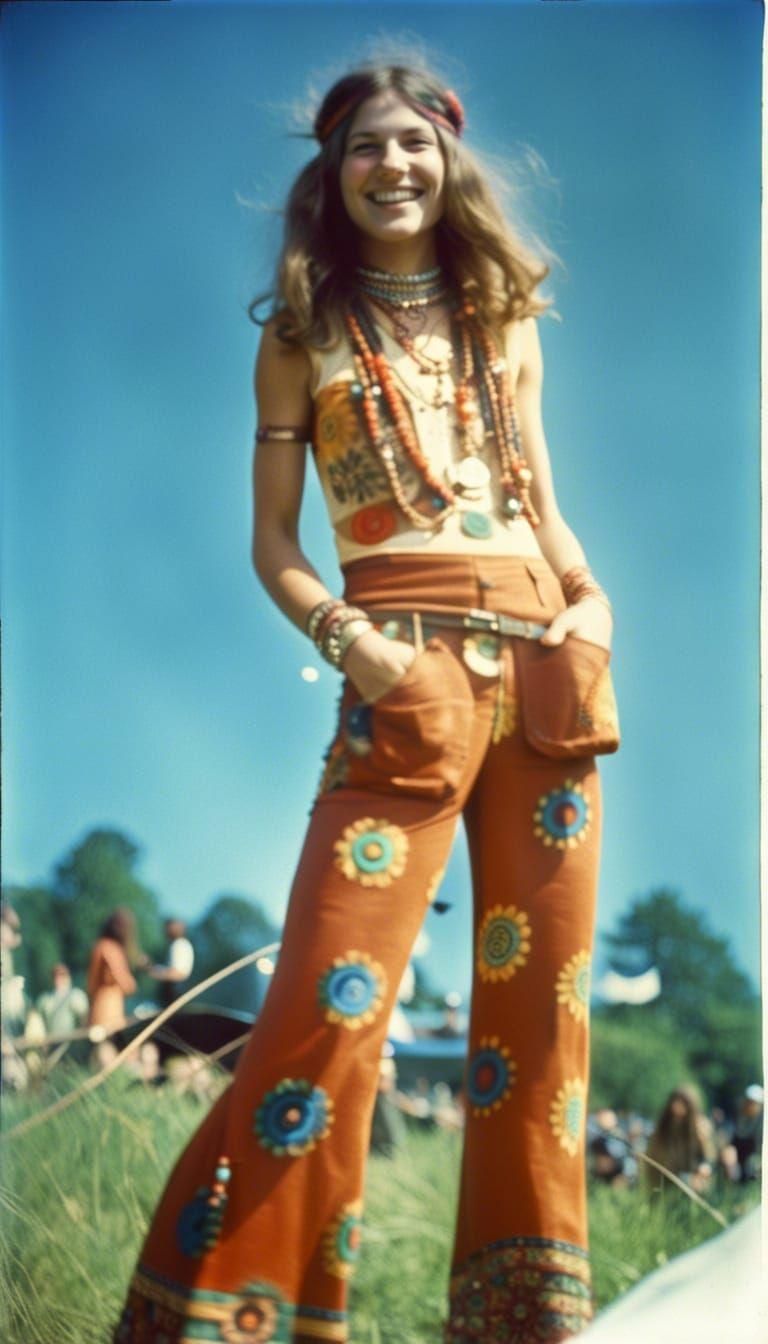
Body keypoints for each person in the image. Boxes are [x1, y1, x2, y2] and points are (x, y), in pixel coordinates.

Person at [114, 60, 617, 1344]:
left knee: (542, 1021)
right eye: (366, 148)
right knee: (327, 1004)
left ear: (451, 166)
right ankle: (238, 1316)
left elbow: (543, 505)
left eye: (416, 146)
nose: (395, 166)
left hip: (548, 674)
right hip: (403, 672)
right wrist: (362, 649)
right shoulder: (301, 331)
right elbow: (273, 544)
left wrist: (592, 603)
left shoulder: (503, 317)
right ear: (331, 174)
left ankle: (523, 1322)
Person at [87, 908, 140, 1068]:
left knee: (109, 1048)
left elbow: (91, 983)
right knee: (109, 1047)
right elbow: (127, 984)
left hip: (105, 1005)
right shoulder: (108, 948)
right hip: (108, 1009)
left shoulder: (102, 947)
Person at [644, 1085, 716, 1196]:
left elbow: (708, 1156)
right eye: (675, 1101)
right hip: (668, 1174)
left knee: (701, 1186)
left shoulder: (700, 1127)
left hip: (692, 1173)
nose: (677, 1107)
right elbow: (655, 1155)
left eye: (682, 1103)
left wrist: (704, 1167)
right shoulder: (663, 1126)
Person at [147, 918, 195, 1009]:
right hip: (174, 992)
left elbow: (176, 973)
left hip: (174, 993)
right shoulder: (180, 944)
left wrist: (154, 972)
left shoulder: (179, 945)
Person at [35, 963, 89, 1038]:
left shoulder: (76, 995)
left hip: (73, 1041)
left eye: (62, 975)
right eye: (55, 975)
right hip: (51, 1042)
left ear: (68, 977)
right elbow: (39, 1023)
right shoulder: (45, 999)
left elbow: (84, 1019)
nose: (58, 979)